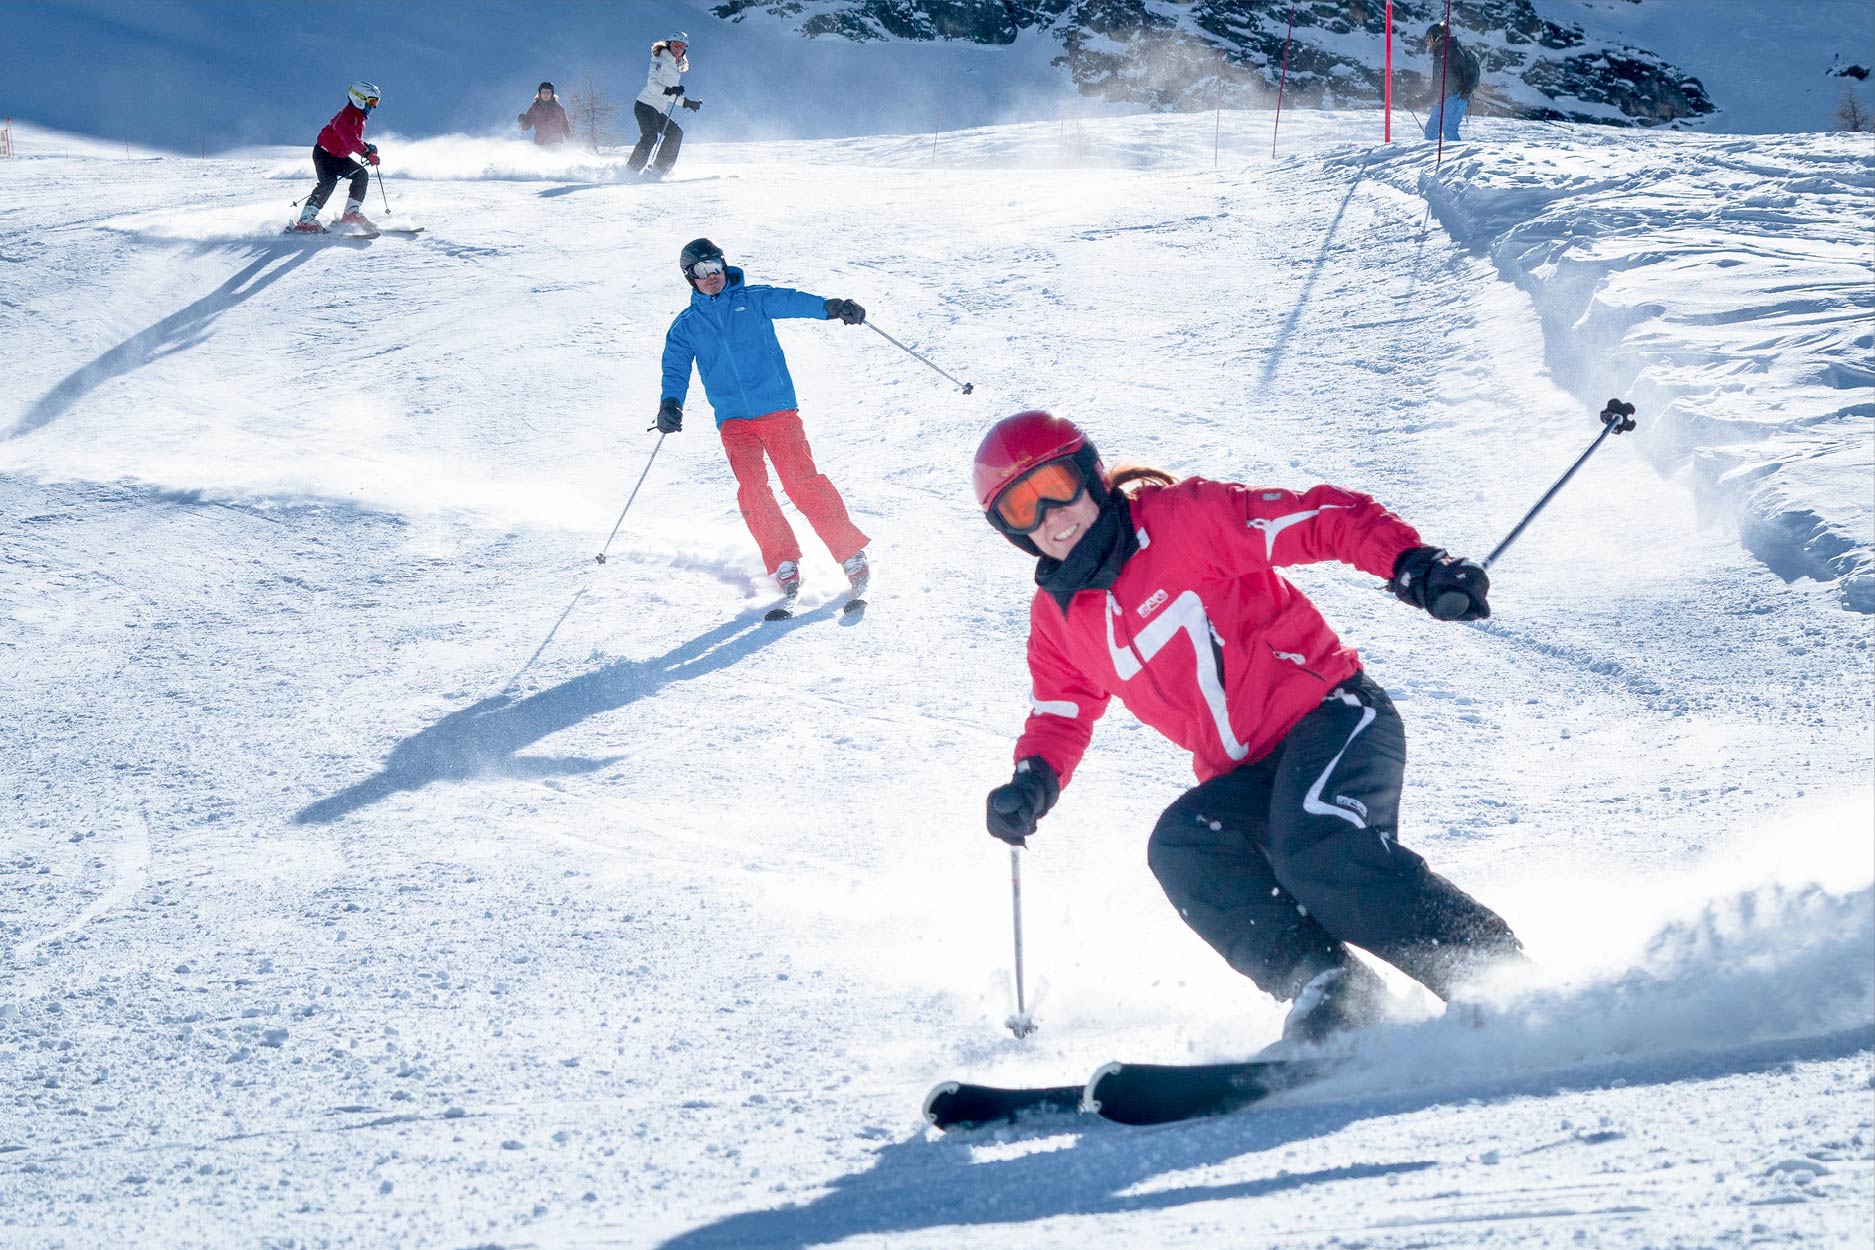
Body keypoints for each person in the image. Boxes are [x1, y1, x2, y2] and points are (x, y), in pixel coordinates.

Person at [973, 409, 1525, 1044]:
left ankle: (1493, 975)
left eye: (1056, 487)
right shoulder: (1059, 620)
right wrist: (1033, 778)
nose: (1051, 516)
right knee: (1184, 846)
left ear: (1089, 474)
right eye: (1023, 507)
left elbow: (1318, 518)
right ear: (1010, 530)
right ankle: (1335, 994)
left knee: (1319, 848)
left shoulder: (1182, 521)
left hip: (1332, 715)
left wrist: (1410, 560)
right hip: (1246, 773)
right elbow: (1060, 711)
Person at [657, 238, 872, 604]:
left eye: (715, 266)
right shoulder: (687, 326)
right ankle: (783, 559)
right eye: (701, 271)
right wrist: (670, 403)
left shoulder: (754, 299)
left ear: (724, 266)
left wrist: (832, 307)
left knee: (801, 481)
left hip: (776, 409)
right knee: (753, 490)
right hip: (734, 421)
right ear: (690, 277)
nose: (711, 276)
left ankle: (850, 551)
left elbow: (793, 301)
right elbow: (675, 367)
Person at [291, 82, 382, 235]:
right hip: (324, 155)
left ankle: (350, 213)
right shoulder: (345, 117)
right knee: (328, 182)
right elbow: (350, 139)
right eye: (372, 102)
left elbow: (354, 139)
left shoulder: (359, 118)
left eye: (376, 103)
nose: (373, 107)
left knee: (361, 174)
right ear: (360, 99)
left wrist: (367, 148)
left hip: (339, 157)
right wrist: (366, 153)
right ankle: (306, 219)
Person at [628, 32, 701, 177]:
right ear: (669, 45)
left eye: (682, 46)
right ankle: (630, 171)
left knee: (675, 133)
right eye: (675, 45)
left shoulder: (675, 65)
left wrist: (687, 103)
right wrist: (670, 90)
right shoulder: (660, 60)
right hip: (645, 106)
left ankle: (659, 170)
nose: (678, 49)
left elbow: (669, 94)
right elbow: (652, 84)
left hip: (656, 110)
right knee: (650, 136)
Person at [1423, 21, 1481, 142]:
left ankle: (1456, 152)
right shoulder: (1438, 56)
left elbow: (1471, 70)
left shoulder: (1454, 49)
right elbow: (1436, 87)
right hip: (1444, 99)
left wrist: (1467, 89)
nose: (1427, 43)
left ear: (1437, 36)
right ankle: (1431, 152)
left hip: (1457, 97)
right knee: (1430, 130)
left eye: (1429, 39)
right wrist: (1418, 101)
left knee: (1449, 129)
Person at [518, 81, 571, 146]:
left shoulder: (558, 109)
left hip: (555, 140)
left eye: (548, 92)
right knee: (541, 152)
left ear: (552, 94)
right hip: (540, 141)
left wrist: (569, 138)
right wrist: (523, 121)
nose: (546, 95)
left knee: (554, 149)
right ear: (540, 93)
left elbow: (565, 125)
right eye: (544, 92)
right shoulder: (534, 108)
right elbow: (526, 126)